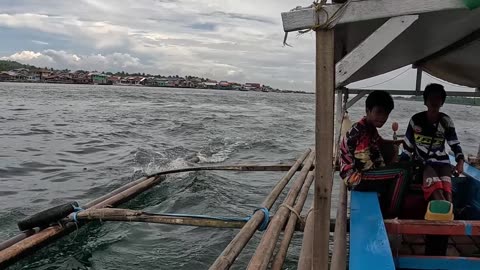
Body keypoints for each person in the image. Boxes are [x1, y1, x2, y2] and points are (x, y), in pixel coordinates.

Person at [340, 90, 405, 217]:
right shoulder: (361, 132)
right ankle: (391, 213)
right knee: (402, 171)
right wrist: (389, 170)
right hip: (356, 177)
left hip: (362, 172)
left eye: (386, 114)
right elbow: (364, 167)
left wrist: (399, 143)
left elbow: (380, 143)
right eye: (378, 112)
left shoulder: (369, 127)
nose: (382, 117)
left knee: (400, 160)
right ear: (368, 110)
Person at [402, 83, 464, 202]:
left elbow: (454, 144)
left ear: (442, 102)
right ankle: (446, 217)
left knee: (447, 192)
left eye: (438, 98)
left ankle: (448, 216)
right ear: (425, 101)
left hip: (443, 163)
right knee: (437, 191)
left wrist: (460, 162)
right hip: (423, 163)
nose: (434, 101)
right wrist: (403, 165)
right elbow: (407, 147)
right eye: (431, 98)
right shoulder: (416, 120)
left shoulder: (446, 121)